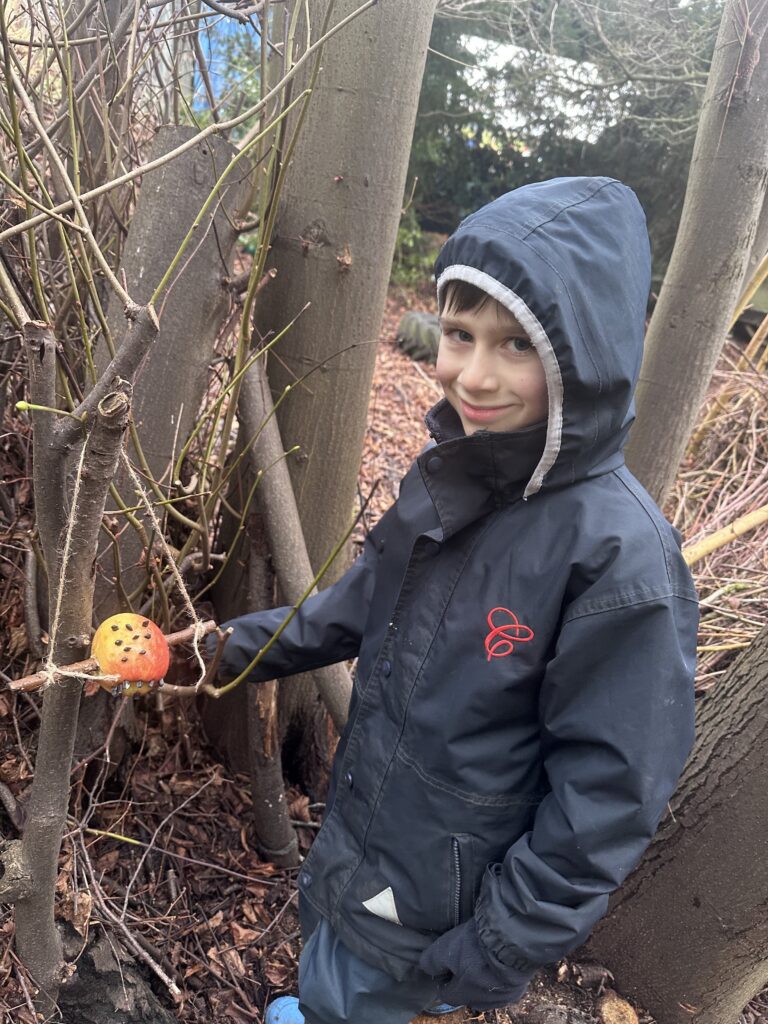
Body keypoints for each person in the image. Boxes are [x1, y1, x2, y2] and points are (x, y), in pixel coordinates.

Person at [215, 176, 698, 1024]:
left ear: (583, 361)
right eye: (460, 333)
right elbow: (359, 606)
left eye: (516, 347)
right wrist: (226, 646)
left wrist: (503, 943)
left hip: (441, 895)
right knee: (332, 963)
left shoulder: (618, 559)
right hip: (370, 832)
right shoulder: (452, 477)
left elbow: (607, 797)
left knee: (364, 995)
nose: (473, 375)